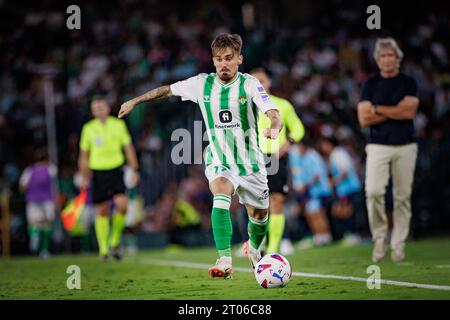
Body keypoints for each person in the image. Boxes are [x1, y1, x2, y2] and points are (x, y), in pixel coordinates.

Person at [119, 33, 283, 279]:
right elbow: (166, 91)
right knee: (221, 191)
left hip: (251, 163)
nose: (223, 64)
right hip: (219, 158)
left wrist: (273, 127)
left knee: (259, 219)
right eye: (218, 59)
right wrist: (135, 100)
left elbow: (273, 112)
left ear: (240, 59)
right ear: (213, 60)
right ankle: (225, 259)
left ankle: (254, 248)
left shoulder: (249, 84)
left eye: (229, 58)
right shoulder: (201, 83)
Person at [357, 38, 419, 262]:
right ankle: (380, 239)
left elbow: (408, 112)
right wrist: (395, 110)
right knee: (373, 192)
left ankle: (398, 244)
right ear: (377, 59)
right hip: (378, 145)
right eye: (382, 56)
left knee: (402, 197)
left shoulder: (408, 82)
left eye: (390, 55)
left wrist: (378, 110)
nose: (387, 59)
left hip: (406, 145)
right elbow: (364, 117)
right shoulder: (370, 84)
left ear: (398, 58)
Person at [249, 67, 305, 255]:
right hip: (252, 158)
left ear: (269, 82)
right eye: (254, 82)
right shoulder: (245, 106)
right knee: (254, 203)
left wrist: (288, 143)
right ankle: (260, 242)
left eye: (262, 81)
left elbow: (298, 129)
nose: (259, 85)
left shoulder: (282, 105)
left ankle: (273, 247)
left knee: (276, 201)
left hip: (274, 158)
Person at [78, 96, 140, 261]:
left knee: (123, 205)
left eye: (101, 107)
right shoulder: (88, 128)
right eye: (96, 108)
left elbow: (128, 148)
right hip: (98, 171)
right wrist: (84, 175)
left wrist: (134, 169)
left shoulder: (118, 124)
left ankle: (114, 240)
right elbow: (84, 155)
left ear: (107, 108)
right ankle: (104, 249)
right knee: (102, 210)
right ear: (92, 111)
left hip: (116, 169)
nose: (99, 110)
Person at [288, 138, 333, 247]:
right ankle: (319, 236)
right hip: (312, 191)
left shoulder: (313, 156)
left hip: (319, 190)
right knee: (312, 214)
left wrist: (305, 186)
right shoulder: (304, 157)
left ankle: (324, 236)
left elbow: (317, 176)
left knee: (317, 214)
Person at [319, 136, 362, 246]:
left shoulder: (337, 154)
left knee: (346, 212)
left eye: (324, 144)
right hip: (344, 190)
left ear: (330, 144)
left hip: (349, 188)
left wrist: (333, 182)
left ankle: (353, 235)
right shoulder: (336, 154)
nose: (322, 147)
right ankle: (350, 234)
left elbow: (345, 172)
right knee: (342, 212)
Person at [19, 148, 57, 259]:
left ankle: (34, 237)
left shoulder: (29, 170)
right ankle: (44, 250)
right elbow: (55, 186)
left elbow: (22, 187)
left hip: (33, 200)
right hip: (47, 200)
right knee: (47, 224)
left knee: (34, 224)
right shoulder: (51, 169)